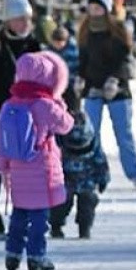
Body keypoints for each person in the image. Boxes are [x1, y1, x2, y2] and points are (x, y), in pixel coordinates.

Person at [0, 52, 74, 270]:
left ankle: (12, 252)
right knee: (39, 217)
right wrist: (59, 103)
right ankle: (37, 257)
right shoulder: (44, 104)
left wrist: (2, 164)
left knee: (19, 213)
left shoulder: (9, 104)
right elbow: (66, 125)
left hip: (18, 169)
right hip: (42, 168)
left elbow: (1, 138)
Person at [0, 0, 41, 238]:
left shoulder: (34, 44)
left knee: (28, 169)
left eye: (27, 18)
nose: (25, 23)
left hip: (30, 118)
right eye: (20, 18)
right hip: (0, 117)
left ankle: (24, 215)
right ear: (8, 20)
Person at [78, 0, 136, 190]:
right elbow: (83, 61)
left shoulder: (119, 30)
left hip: (118, 90)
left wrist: (115, 79)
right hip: (94, 88)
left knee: (123, 133)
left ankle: (134, 173)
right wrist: (80, 78)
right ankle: (95, 173)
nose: (94, 12)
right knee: (91, 134)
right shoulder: (85, 32)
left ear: (106, 9)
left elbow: (126, 60)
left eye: (98, 8)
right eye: (91, 8)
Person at [50, 101, 111, 240]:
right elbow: (52, 162)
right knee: (59, 204)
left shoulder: (94, 145)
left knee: (87, 204)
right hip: (65, 181)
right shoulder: (59, 145)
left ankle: (85, 228)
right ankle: (56, 226)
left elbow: (101, 162)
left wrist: (103, 179)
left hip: (87, 181)